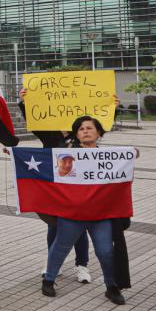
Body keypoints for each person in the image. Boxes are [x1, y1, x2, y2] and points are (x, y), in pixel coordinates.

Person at [41, 116, 127, 306]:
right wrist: (14, 153)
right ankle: (48, 279)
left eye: (90, 128)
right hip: (73, 214)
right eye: (81, 129)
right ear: (76, 134)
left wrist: (131, 154)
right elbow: (42, 163)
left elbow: (125, 163)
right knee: (60, 247)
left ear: (99, 133)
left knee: (105, 252)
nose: (86, 131)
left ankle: (111, 286)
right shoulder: (65, 156)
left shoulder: (111, 158)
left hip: (100, 215)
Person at [16, 87, 91, 283]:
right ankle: (53, 264)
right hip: (56, 191)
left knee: (80, 229)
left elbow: (101, 125)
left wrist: (112, 108)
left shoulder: (81, 137)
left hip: (79, 192)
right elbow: (34, 120)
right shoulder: (49, 135)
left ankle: (82, 266)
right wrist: (25, 103)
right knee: (54, 228)